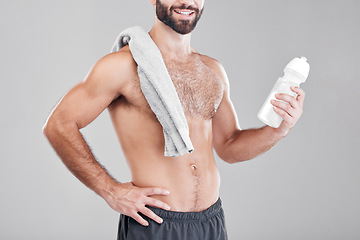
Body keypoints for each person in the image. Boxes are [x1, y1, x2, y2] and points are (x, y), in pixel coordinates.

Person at [43, 0, 306, 239]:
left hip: (211, 223)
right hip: (156, 224)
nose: (186, 1)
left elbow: (229, 145)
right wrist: (110, 190)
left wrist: (279, 129)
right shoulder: (122, 66)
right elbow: (58, 124)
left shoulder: (212, 70)